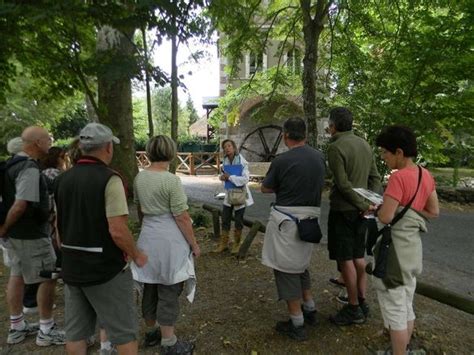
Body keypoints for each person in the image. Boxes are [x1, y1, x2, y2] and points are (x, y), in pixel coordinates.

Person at [54, 122, 148, 354]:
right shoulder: (110, 179)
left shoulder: (62, 179)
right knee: (124, 332)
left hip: (72, 265)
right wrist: (136, 254)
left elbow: (58, 228)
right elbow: (117, 229)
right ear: (108, 147)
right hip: (105, 269)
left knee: (76, 333)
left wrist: (67, 254)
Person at [131, 135, 200, 354]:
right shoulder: (171, 180)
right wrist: (194, 244)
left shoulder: (139, 178)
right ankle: (169, 343)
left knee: (150, 284)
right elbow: (181, 216)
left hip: (148, 236)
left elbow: (140, 210)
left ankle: (152, 332)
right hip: (169, 239)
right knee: (169, 287)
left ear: (150, 152)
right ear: (171, 153)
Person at [374, 125, 439, 355]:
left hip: (395, 253)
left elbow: (386, 216)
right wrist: (410, 213)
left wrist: (379, 208)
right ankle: (404, 350)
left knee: (394, 309)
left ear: (399, 152)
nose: (383, 157)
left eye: (385, 152)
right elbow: (433, 211)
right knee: (406, 304)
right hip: (412, 251)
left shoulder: (398, 178)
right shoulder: (425, 174)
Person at [261, 117, 326, 341]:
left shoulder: (282, 160)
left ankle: (297, 323)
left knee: (286, 269)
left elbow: (266, 188)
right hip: (310, 220)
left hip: (286, 221)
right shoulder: (319, 157)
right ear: (305, 135)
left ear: (286, 135)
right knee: (300, 265)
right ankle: (309, 308)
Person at [0, 126, 65, 346]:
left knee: (17, 276)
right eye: (48, 138)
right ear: (37, 142)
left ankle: (16, 326)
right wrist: (4, 227)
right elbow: (21, 205)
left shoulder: (12, 164)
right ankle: (46, 330)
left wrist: (7, 229)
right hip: (31, 234)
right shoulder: (28, 168)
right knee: (47, 278)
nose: (50, 141)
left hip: (17, 236)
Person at [326, 107, 382, 326]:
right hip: (363, 212)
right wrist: (371, 203)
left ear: (333, 126)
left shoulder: (336, 147)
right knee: (358, 256)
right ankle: (361, 300)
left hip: (343, 211)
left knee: (345, 258)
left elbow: (342, 184)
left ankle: (353, 308)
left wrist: (361, 204)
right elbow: (375, 177)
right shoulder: (364, 144)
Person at [214, 139, 254, 254]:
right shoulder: (225, 161)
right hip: (229, 195)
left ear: (234, 147)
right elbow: (223, 176)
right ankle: (224, 244)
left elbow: (245, 179)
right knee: (225, 219)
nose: (227, 148)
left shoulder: (242, 161)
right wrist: (221, 177)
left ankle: (237, 244)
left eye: (229, 146)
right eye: (225, 147)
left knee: (238, 220)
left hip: (239, 195)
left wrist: (230, 177)